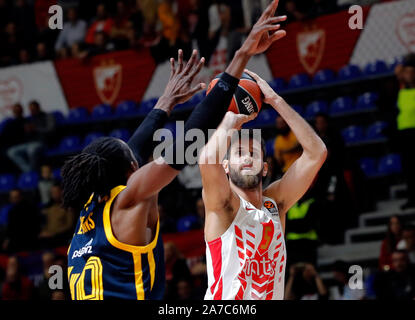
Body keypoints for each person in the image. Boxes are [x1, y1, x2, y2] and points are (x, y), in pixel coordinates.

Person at [64, 2, 281, 299]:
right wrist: (242, 55)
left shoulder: (89, 206)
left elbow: (131, 151)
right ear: (131, 169)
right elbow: (189, 142)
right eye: (134, 158)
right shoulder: (129, 198)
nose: (139, 155)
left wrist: (165, 103)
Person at [198, 30, 326, 304]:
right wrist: (231, 121)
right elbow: (207, 161)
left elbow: (317, 153)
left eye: (253, 152)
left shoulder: (275, 205)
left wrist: (275, 101)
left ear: (265, 168)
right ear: (226, 167)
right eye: (239, 152)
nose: (246, 157)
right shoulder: (223, 206)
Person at [394, 53, 415, 210]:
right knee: (408, 169)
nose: (408, 75)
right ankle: (412, 198)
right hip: (404, 134)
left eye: (411, 71)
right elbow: (397, 72)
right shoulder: (400, 90)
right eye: (406, 72)